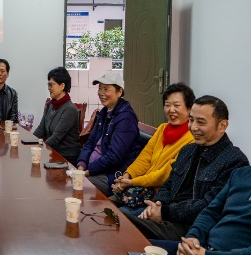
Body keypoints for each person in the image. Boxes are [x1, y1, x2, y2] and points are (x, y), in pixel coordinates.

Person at [126, 95, 248, 241]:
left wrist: (165, 212)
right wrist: (158, 205)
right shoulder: (187, 150)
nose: (193, 127)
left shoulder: (234, 161)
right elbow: (168, 184)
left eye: (201, 122)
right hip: (165, 215)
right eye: (191, 120)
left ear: (222, 125)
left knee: (127, 230)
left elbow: (209, 206)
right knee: (117, 220)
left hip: (192, 229)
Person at [150, 166, 251, 255]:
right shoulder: (241, 174)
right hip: (203, 250)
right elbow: (211, 212)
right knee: (145, 249)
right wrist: (192, 239)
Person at [112, 83, 196, 214]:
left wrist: (132, 182)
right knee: (104, 206)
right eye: (167, 105)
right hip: (141, 189)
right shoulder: (162, 128)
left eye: (176, 105)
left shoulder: (192, 139)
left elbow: (164, 175)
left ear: (189, 108)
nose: (171, 110)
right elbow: (145, 157)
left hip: (158, 197)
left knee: (118, 216)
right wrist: (127, 175)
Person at [76, 71, 141, 196]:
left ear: (119, 92)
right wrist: (81, 166)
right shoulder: (104, 113)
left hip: (110, 175)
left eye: (106, 89)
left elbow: (114, 158)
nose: (101, 93)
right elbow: (90, 143)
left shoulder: (126, 119)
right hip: (92, 170)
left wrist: (87, 172)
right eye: (100, 88)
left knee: (77, 187)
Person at [32, 66, 79, 164]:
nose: (49, 88)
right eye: (48, 84)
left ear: (62, 86)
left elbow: (56, 138)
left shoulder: (69, 109)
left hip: (65, 158)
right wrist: (30, 142)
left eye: (51, 84)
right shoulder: (50, 105)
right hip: (52, 152)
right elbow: (40, 130)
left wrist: (38, 148)